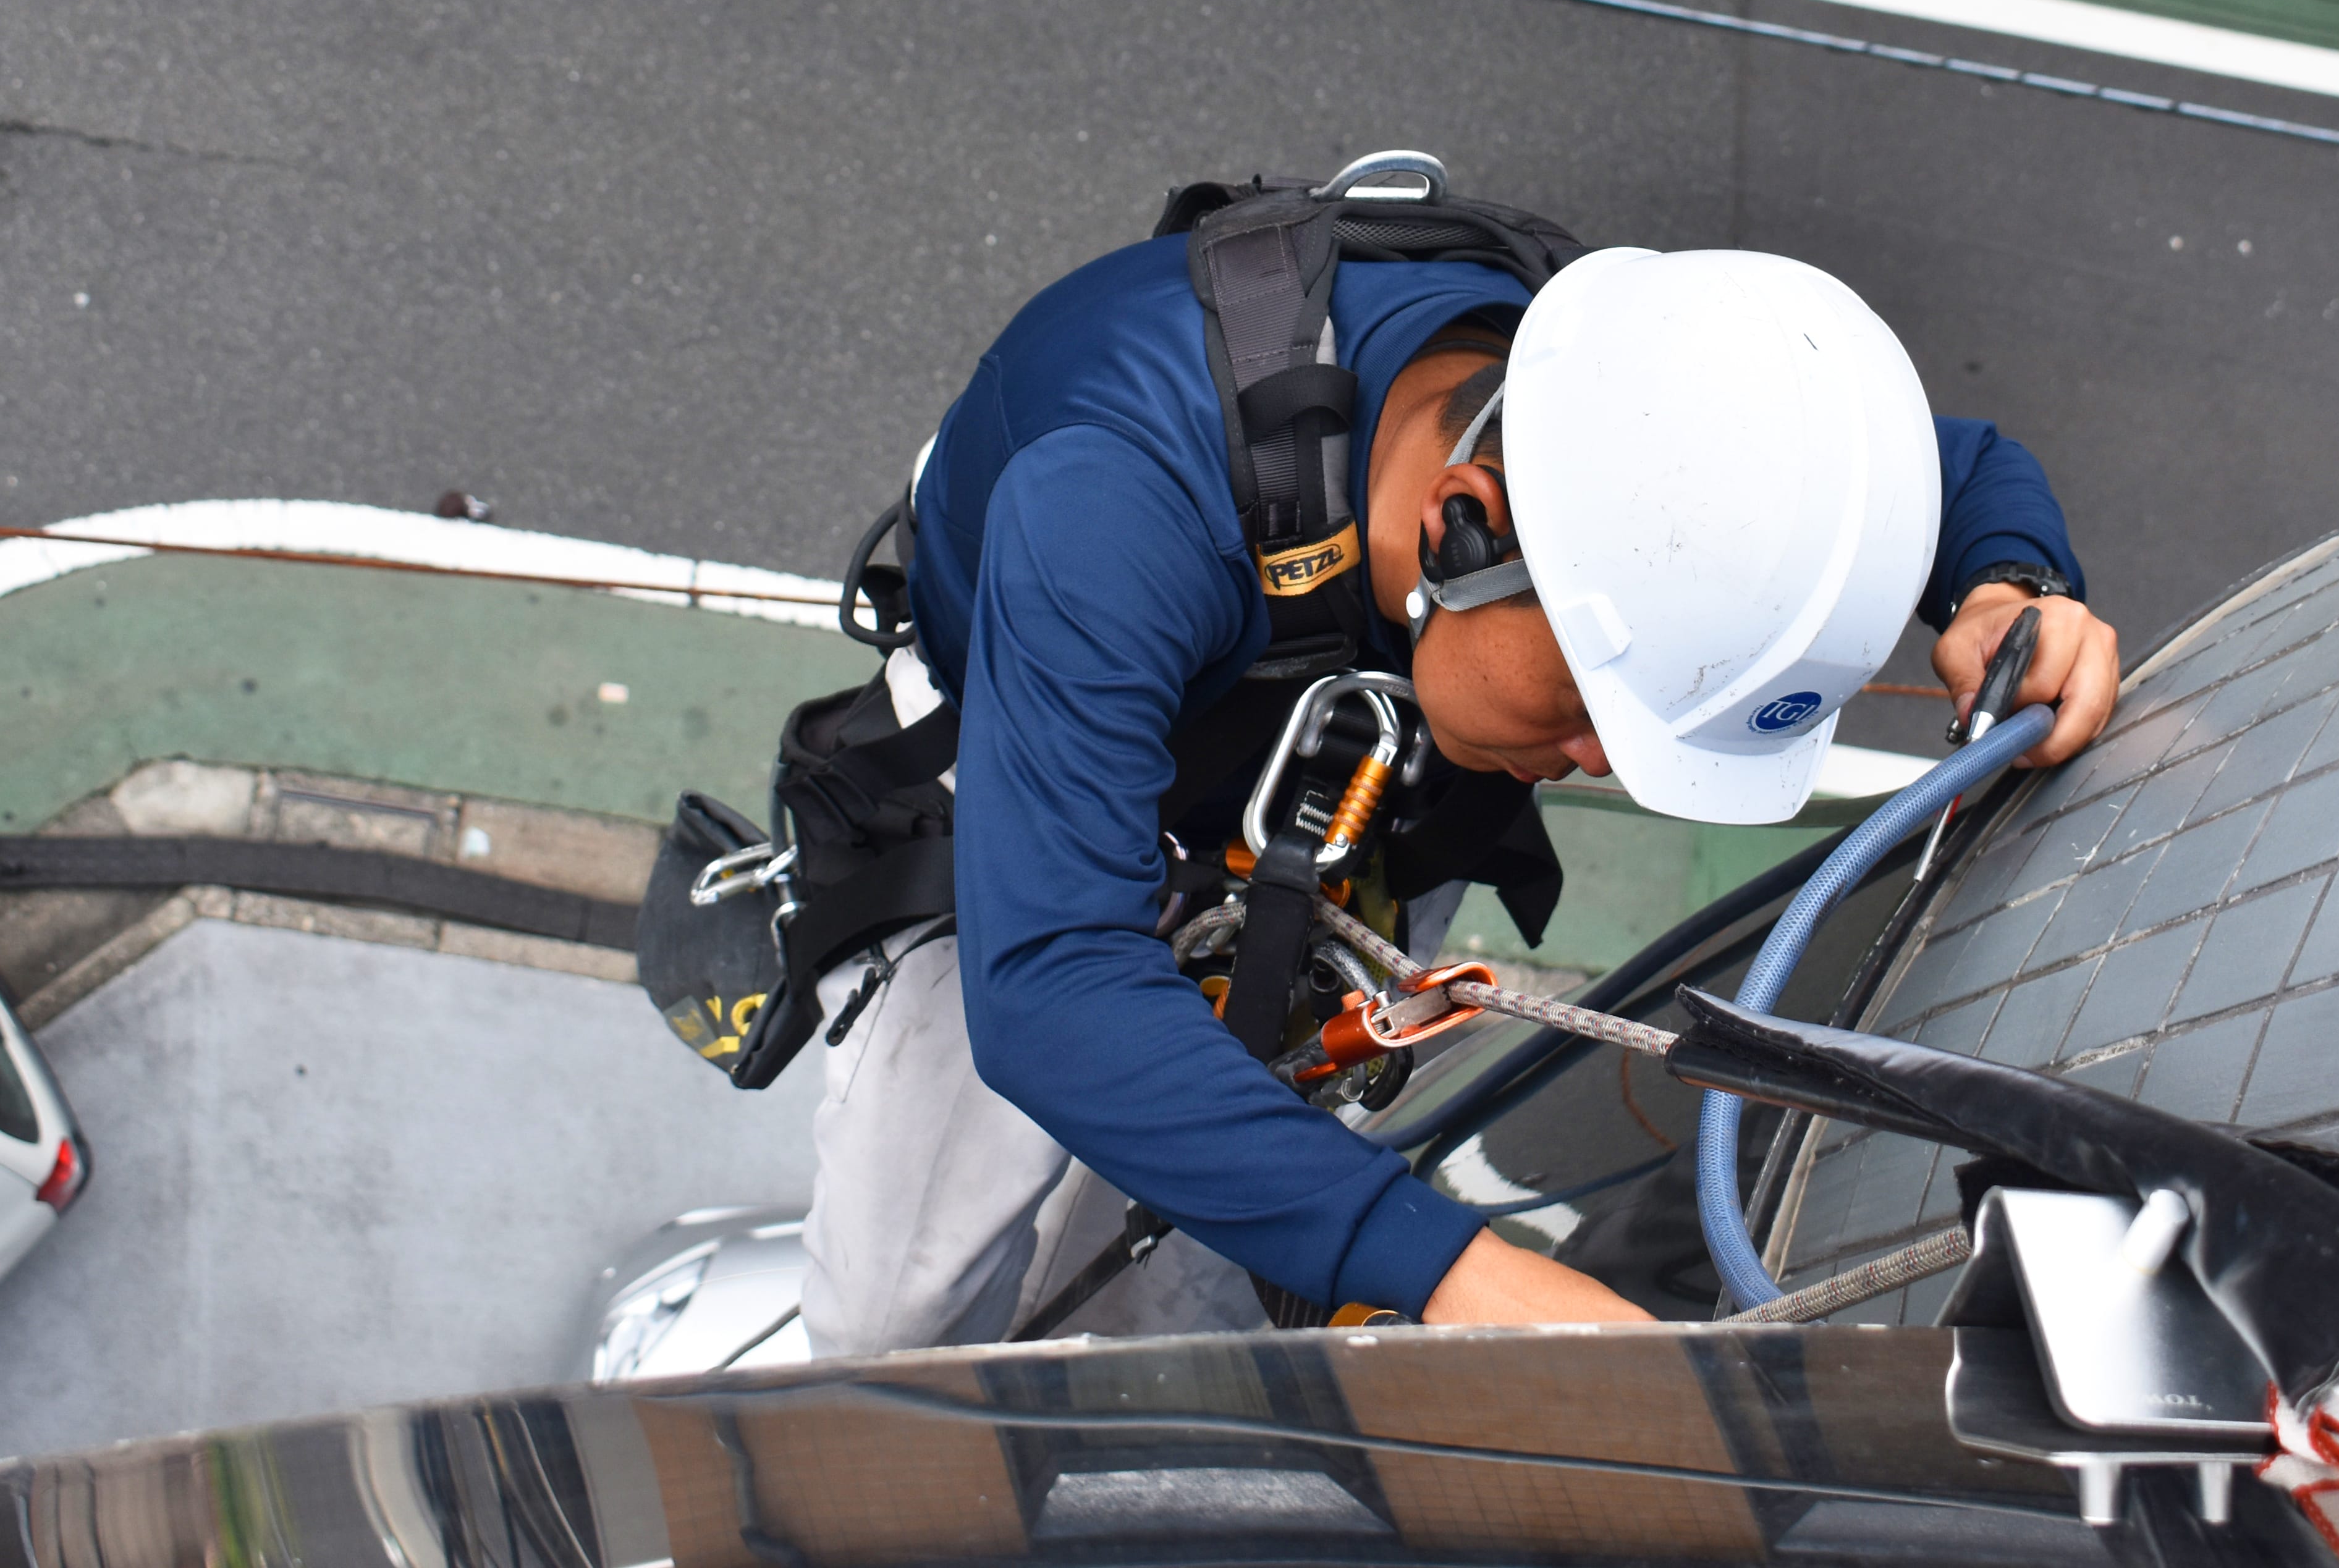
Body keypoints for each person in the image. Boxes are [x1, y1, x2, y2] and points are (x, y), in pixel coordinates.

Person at [784, 164, 2119, 1353]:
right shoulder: (1115, 504)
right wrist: (1468, 1278)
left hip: (1350, 784)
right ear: (1467, 526)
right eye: (1600, 703)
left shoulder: (1623, 418)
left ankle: (1170, 1355)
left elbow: (1938, 463)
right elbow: (1054, 986)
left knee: (1220, 1242)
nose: (1599, 759)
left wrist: (2007, 585)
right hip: (1044, 797)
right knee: (895, 1312)